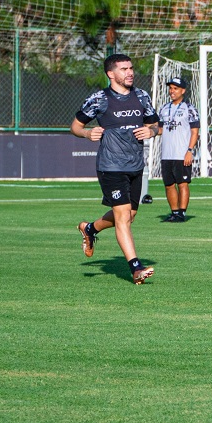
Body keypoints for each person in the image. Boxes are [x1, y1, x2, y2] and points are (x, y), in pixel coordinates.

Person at [71, 54, 160, 285]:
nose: (130, 72)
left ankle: (90, 229)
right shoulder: (99, 99)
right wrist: (87, 133)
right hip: (111, 166)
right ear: (111, 74)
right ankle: (136, 268)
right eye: (123, 69)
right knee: (122, 217)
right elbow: (76, 126)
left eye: (131, 68)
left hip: (135, 165)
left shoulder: (141, 96)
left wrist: (150, 131)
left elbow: (155, 125)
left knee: (130, 216)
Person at [157, 76, 200, 222]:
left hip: (182, 153)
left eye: (175, 88)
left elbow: (195, 132)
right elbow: (161, 129)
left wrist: (190, 150)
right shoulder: (164, 108)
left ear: (183, 90)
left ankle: (182, 213)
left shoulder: (189, 108)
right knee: (169, 185)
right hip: (166, 154)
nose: (172, 91)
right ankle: (174, 212)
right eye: (170, 88)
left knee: (182, 184)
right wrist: (148, 130)